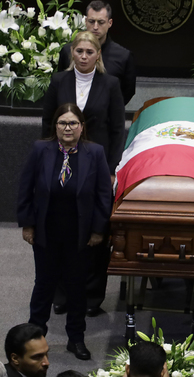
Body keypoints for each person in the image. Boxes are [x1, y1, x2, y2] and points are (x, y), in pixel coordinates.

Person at [17, 103, 112, 360]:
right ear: (55, 126)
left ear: (82, 127)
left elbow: (105, 195)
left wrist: (98, 230)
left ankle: (76, 339)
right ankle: (34, 340)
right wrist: (28, 224)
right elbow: (25, 188)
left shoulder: (95, 152)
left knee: (77, 287)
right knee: (43, 286)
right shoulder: (41, 149)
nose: (67, 128)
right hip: (46, 233)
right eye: (62, 123)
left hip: (80, 235)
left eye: (72, 123)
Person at [43, 30, 125, 318]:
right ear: (71, 53)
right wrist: (47, 161)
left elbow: (117, 129)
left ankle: (91, 295)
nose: (84, 56)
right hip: (63, 162)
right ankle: (61, 293)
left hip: (97, 164)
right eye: (79, 51)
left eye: (90, 52)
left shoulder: (111, 83)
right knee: (62, 227)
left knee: (94, 229)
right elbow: (46, 123)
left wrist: (113, 168)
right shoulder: (58, 81)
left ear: (98, 54)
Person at [58, 0, 136, 105]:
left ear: (110, 23)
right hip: (72, 114)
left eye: (101, 22)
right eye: (91, 21)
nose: (95, 27)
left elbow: (128, 91)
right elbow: (61, 83)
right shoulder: (68, 51)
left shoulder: (123, 56)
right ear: (85, 21)